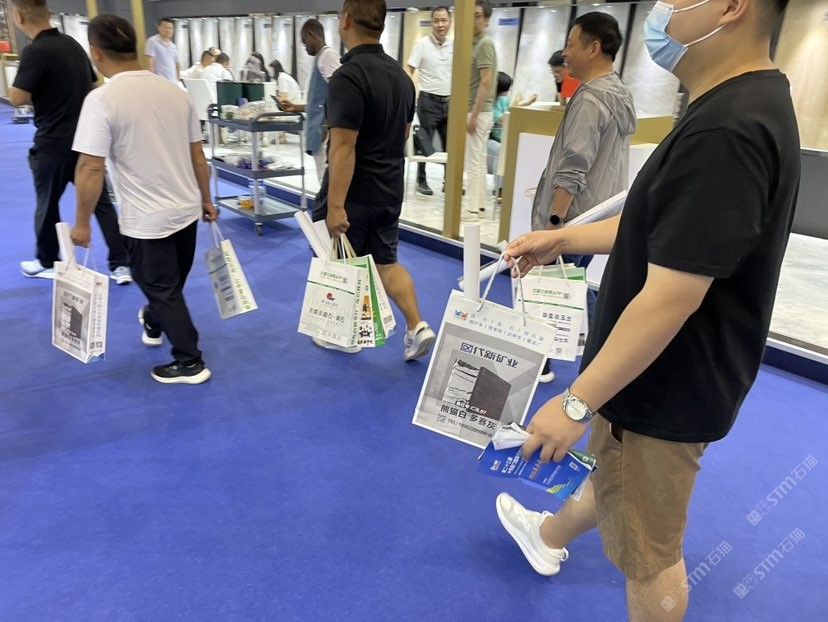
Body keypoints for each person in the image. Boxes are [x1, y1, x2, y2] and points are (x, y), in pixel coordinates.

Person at [495, 2, 799, 621]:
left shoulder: (727, 129)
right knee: (619, 482)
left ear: (731, 7)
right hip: (660, 376)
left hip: (661, 383)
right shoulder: (741, 103)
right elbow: (662, 227)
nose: (663, 9)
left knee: (651, 557)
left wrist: (575, 402)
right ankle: (547, 536)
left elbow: (672, 295)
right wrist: (563, 238)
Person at [70, 14, 219, 385]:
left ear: (95, 52)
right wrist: (206, 199)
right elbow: (198, 156)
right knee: (166, 285)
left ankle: (190, 362)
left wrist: (82, 222)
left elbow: (90, 168)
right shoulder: (176, 92)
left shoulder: (101, 99)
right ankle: (153, 320)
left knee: (161, 286)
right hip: (185, 210)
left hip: (146, 219)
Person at [312, 0, 436, 362]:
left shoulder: (347, 77)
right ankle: (416, 325)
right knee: (385, 263)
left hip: (356, 192)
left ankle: (346, 334)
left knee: (341, 260)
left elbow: (343, 146)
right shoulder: (402, 79)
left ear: (345, 20)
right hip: (390, 189)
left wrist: (335, 206)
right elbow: (402, 134)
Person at [531, 12, 636, 382]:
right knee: (570, 281)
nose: (565, 53)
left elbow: (574, 166)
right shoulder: (619, 92)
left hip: (574, 217)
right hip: (598, 215)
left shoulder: (590, 98)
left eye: (571, 44)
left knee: (551, 283)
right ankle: (597, 354)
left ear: (594, 48)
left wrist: (553, 225)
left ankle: (554, 360)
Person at [8, 0, 131, 283]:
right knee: (100, 202)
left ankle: (47, 261)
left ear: (18, 17)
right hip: (85, 139)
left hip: (52, 142)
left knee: (47, 202)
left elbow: (17, 97)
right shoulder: (74, 46)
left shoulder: (35, 51)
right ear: (49, 13)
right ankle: (121, 263)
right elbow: (95, 86)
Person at [279, 19, 341, 184]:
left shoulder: (328, 56)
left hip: (325, 131)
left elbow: (339, 94)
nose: (305, 47)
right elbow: (319, 100)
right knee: (323, 178)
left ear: (311, 34)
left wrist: (326, 126)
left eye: (304, 42)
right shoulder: (321, 58)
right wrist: (296, 107)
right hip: (319, 128)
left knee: (327, 179)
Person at [405, 5, 453, 197]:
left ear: (450, 22)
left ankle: (449, 181)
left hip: (450, 101)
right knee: (423, 144)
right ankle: (421, 181)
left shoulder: (454, 45)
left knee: (450, 144)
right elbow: (409, 70)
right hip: (427, 101)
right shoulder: (421, 44)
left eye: (444, 20)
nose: (440, 24)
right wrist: (407, 93)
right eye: (436, 20)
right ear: (431, 23)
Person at [464, 0, 497, 216]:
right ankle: (479, 202)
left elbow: (486, 81)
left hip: (479, 110)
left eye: (477, 16)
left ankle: (472, 206)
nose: (473, 20)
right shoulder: (473, 43)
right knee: (479, 158)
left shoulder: (484, 43)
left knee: (473, 160)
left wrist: (474, 115)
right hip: (478, 110)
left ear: (486, 20)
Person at [487, 71, 535, 197]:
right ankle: (499, 188)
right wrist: (515, 103)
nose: (508, 91)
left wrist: (527, 103)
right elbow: (504, 118)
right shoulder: (489, 102)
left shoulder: (503, 99)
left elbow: (513, 110)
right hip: (490, 140)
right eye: (506, 89)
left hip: (505, 139)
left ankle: (513, 187)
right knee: (501, 152)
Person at [144, 17, 178, 83]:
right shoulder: (152, 41)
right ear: (159, 28)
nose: (168, 30)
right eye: (165, 27)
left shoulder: (173, 46)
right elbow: (150, 63)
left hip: (173, 81)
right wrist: (152, 81)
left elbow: (176, 64)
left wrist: (178, 79)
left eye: (170, 28)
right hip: (159, 81)